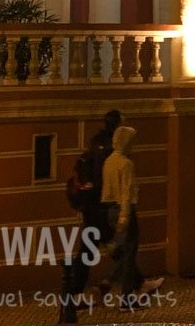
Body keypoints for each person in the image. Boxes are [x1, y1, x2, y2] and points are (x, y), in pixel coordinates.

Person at [100, 125, 163, 306]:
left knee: (123, 252)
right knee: (129, 254)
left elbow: (107, 191)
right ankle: (124, 297)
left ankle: (139, 283)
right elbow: (126, 192)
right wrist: (125, 217)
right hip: (123, 210)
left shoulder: (109, 162)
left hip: (110, 210)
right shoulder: (126, 164)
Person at [67, 110, 122, 296]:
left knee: (94, 247)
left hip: (91, 205)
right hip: (101, 205)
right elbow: (104, 177)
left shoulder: (96, 141)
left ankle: (76, 288)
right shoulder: (111, 146)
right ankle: (132, 282)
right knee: (114, 246)